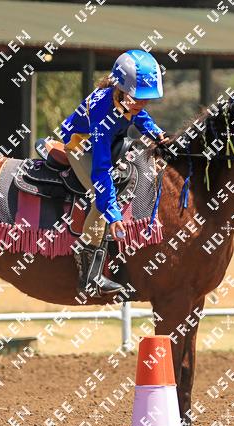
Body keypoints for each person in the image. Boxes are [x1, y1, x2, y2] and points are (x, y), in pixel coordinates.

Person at [60, 49, 169, 296]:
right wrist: (113, 214)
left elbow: (140, 117)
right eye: (137, 98)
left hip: (109, 143)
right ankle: (89, 274)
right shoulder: (102, 111)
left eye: (146, 99)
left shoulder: (126, 98)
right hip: (81, 147)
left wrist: (158, 135)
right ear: (121, 88)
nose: (142, 103)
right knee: (100, 199)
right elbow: (100, 170)